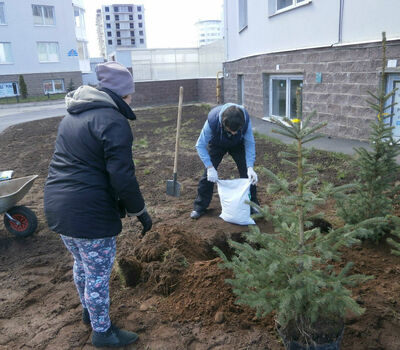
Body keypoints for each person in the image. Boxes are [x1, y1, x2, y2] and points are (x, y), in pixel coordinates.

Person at [44, 61, 152, 348]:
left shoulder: (72, 116)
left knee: (81, 264)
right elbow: (122, 177)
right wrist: (140, 212)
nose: (132, 99)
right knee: (98, 275)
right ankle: (102, 332)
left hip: (59, 206)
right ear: (123, 94)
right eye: (130, 93)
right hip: (88, 213)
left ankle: (89, 313)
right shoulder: (113, 121)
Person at [190, 103, 259, 219]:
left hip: (237, 145)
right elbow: (200, 145)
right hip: (217, 143)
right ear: (223, 123)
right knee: (207, 177)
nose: (234, 133)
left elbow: (250, 143)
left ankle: (252, 205)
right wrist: (209, 167)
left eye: (237, 130)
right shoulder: (212, 121)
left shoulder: (245, 120)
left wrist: (250, 167)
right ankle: (199, 207)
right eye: (231, 130)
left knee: (247, 175)